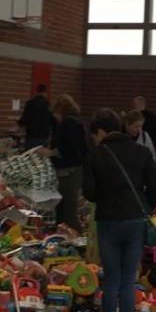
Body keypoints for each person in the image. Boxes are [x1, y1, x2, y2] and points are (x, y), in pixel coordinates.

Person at [83, 109, 156, 312]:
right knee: (128, 281)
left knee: (112, 282)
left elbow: (90, 193)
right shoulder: (141, 152)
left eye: (95, 135)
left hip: (108, 222)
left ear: (102, 132)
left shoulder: (96, 154)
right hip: (135, 222)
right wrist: (145, 206)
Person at [49, 94, 87, 232]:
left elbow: (69, 148)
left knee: (67, 212)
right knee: (64, 209)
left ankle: (76, 239)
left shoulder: (69, 124)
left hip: (69, 172)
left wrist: (51, 153)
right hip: (71, 171)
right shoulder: (75, 122)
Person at [19, 84, 53, 150]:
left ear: (36, 91)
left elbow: (24, 120)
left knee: (31, 158)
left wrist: (19, 123)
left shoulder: (30, 103)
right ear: (45, 92)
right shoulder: (48, 105)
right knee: (42, 159)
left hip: (32, 137)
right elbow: (51, 121)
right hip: (44, 137)